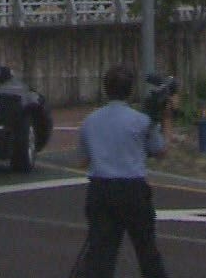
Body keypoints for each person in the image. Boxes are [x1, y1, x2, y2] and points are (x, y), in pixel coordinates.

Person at [72, 64, 173, 278]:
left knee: (100, 254)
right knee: (146, 251)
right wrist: (166, 118)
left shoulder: (90, 121)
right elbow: (161, 150)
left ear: (105, 89)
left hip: (100, 190)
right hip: (133, 190)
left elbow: (82, 161)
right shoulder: (141, 121)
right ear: (130, 90)